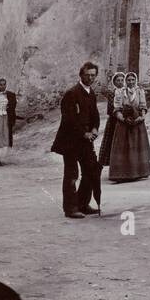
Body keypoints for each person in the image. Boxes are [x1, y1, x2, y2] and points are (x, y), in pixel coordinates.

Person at [50, 62, 101, 218]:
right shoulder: (71, 93)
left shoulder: (91, 93)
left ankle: (83, 204)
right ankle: (70, 208)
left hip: (86, 141)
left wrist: (94, 129)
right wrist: (83, 133)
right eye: (88, 75)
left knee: (91, 171)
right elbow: (69, 119)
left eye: (93, 75)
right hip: (70, 142)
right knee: (72, 175)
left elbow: (95, 116)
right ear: (81, 75)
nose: (90, 78)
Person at [108, 71, 150, 182]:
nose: (131, 82)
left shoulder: (140, 91)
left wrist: (141, 118)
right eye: (128, 80)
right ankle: (123, 174)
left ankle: (139, 172)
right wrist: (123, 119)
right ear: (125, 81)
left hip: (137, 123)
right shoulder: (120, 93)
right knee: (124, 148)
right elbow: (117, 109)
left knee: (137, 147)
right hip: (124, 124)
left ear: (135, 80)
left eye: (133, 80)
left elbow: (143, 106)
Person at [97, 70, 127, 170]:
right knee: (113, 142)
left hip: (126, 120)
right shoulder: (112, 93)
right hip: (114, 121)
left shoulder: (127, 91)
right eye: (118, 80)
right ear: (114, 82)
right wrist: (119, 113)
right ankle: (114, 166)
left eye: (122, 80)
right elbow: (110, 109)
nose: (120, 82)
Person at [3, 82, 18, 149]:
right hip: (2, 116)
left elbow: (12, 106)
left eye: (4, 85)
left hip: (9, 116)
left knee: (9, 131)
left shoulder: (11, 94)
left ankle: (9, 145)